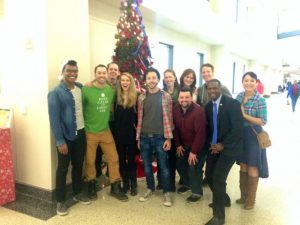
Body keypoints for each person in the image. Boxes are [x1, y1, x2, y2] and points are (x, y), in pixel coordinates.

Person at [48, 60, 91, 216]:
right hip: (65, 137)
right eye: (69, 71)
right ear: (63, 72)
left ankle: (77, 192)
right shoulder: (55, 92)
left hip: (81, 134)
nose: (72, 73)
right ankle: (60, 201)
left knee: (79, 165)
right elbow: (54, 119)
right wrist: (60, 141)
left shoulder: (80, 88)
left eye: (75, 70)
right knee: (63, 168)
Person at [82, 64, 128, 201]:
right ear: (95, 74)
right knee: (90, 161)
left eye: (103, 73)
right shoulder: (86, 89)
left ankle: (115, 186)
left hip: (105, 130)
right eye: (99, 73)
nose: (102, 75)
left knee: (113, 158)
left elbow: (122, 95)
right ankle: (90, 185)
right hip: (90, 131)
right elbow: (80, 107)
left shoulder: (110, 90)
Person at [204, 79, 243, 225]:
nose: (212, 91)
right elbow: (210, 128)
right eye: (209, 88)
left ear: (220, 88)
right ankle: (224, 199)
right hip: (214, 148)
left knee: (218, 179)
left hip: (230, 148)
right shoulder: (208, 106)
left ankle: (219, 217)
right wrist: (211, 144)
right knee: (209, 176)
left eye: (215, 88)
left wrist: (223, 145)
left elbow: (237, 129)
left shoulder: (232, 104)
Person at [136, 67, 174, 207]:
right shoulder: (141, 98)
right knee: (147, 166)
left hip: (160, 137)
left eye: (154, 77)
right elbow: (140, 118)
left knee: (163, 166)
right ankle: (150, 188)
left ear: (158, 79)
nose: (151, 80)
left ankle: (166, 192)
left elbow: (169, 118)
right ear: (145, 81)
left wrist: (168, 138)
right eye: (149, 78)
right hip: (145, 136)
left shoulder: (166, 96)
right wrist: (139, 138)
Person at [236, 72, 268, 210]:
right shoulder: (239, 96)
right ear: (242, 82)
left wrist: (244, 115)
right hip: (240, 135)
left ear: (256, 83)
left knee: (252, 166)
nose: (248, 83)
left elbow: (263, 121)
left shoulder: (260, 100)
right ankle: (243, 196)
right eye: (246, 80)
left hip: (254, 135)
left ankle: (251, 199)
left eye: (251, 81)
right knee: (243, 165)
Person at [196, 63, 232, 187]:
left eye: (208, 71)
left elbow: (229, 105)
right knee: (208, 153)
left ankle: (216, 179)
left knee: (217, 156)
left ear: (213, 72)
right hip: (207, 125)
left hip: (220, 127)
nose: (206, 74)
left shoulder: (223, 87)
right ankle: (208, 176)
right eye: (203, 72)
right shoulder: (200, 89)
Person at [173, 86, 206, 202]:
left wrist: (194, 152)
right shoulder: (175, 109)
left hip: (198, 146)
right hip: (183, 144)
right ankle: (187, 184)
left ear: (192, 98)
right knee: (180, 163)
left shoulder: (199, 111)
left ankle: (197, 192)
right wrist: (178, 145)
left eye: (187, 97)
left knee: (193, 167)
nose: (184, 100)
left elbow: (201, 134)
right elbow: (175, 129)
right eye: (181, 97)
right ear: (178, 98)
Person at [155, 69, 180, 191]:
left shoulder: (180, 92)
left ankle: (171, 182)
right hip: (163, 128)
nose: (168, 79)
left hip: (177, 128)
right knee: (161, 156)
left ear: (175, 78)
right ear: (164, 80)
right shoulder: (160, 93)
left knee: (172, 158)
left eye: (171, 77)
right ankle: (160, 181)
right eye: (166, 77)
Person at [114, 72, 138, 196]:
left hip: (131, 134)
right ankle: (125, 183)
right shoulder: (116, 97)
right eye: (122, 80)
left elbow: (139, 117)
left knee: (131, 161)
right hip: (119, 135)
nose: (125, 83)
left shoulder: (136, 97)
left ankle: (133, 184)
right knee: (122, 160)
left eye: (127, 80)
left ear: (131, 82)